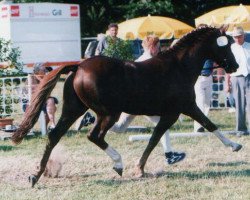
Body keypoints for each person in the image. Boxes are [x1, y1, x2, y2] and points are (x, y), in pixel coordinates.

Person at [110, 35, 185, 165]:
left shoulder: (142, 59)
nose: (159, 49)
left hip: (135, 102)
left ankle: (92, 120)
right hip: (143, 103)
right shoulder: (150, 61)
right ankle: (169, 155)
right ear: (152, 47)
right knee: (163, 125)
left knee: (119, 128)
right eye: (158, 47)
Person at [226, 26, 250, 136]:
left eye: (239, 36)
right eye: (235, 37)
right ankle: (241, 129)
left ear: (243, 35)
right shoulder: (230, 48)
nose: (237, 39)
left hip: (249, 76)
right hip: (236, 77)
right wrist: (227, 83)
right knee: (239, 104)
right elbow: (228, 68)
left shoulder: (249, 46)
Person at [24, 63, 58, 130]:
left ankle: (52, 125)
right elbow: (34, 93)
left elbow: (48, 92)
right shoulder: (30, 78)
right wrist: (41, 79)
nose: (45, 71)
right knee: (49, 102)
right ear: (37, 71)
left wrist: (43, 80)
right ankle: (28, 128)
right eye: (43, 70)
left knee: (51, 102)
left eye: (45, 70)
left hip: (43, 100)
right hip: (31, 102)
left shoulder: (46, 78)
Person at [194, 60, 215, 132]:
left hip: (209, 77)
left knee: (207, 103)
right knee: (200, 103)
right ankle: (198, 126)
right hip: (199, 78)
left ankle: (204, 124)